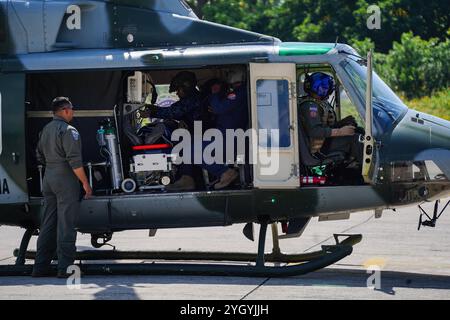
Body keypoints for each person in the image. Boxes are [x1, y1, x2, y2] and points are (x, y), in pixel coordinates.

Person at [32, 97, 92, 278]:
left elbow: (39, 155)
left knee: (48, 224)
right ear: (65, 110)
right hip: (65, 179)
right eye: (72, 109)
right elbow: (75, 162)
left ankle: (40, 267)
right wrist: (85, 184)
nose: (73, 112)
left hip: (48, 178)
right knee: (67, 224)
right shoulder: (68, 131)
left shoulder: (46, 129)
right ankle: (64, 268)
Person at [299, 72, 363, 165]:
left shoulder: (320, 103)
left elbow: (325, 126)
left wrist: (342, 123)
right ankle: (364, 172)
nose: (327, 89)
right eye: (324, 87)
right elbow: (315, 131)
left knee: (358, 130)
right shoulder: (310, 106)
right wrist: (340, 131)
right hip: (319, 149)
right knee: (356, 139)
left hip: (325, 142)